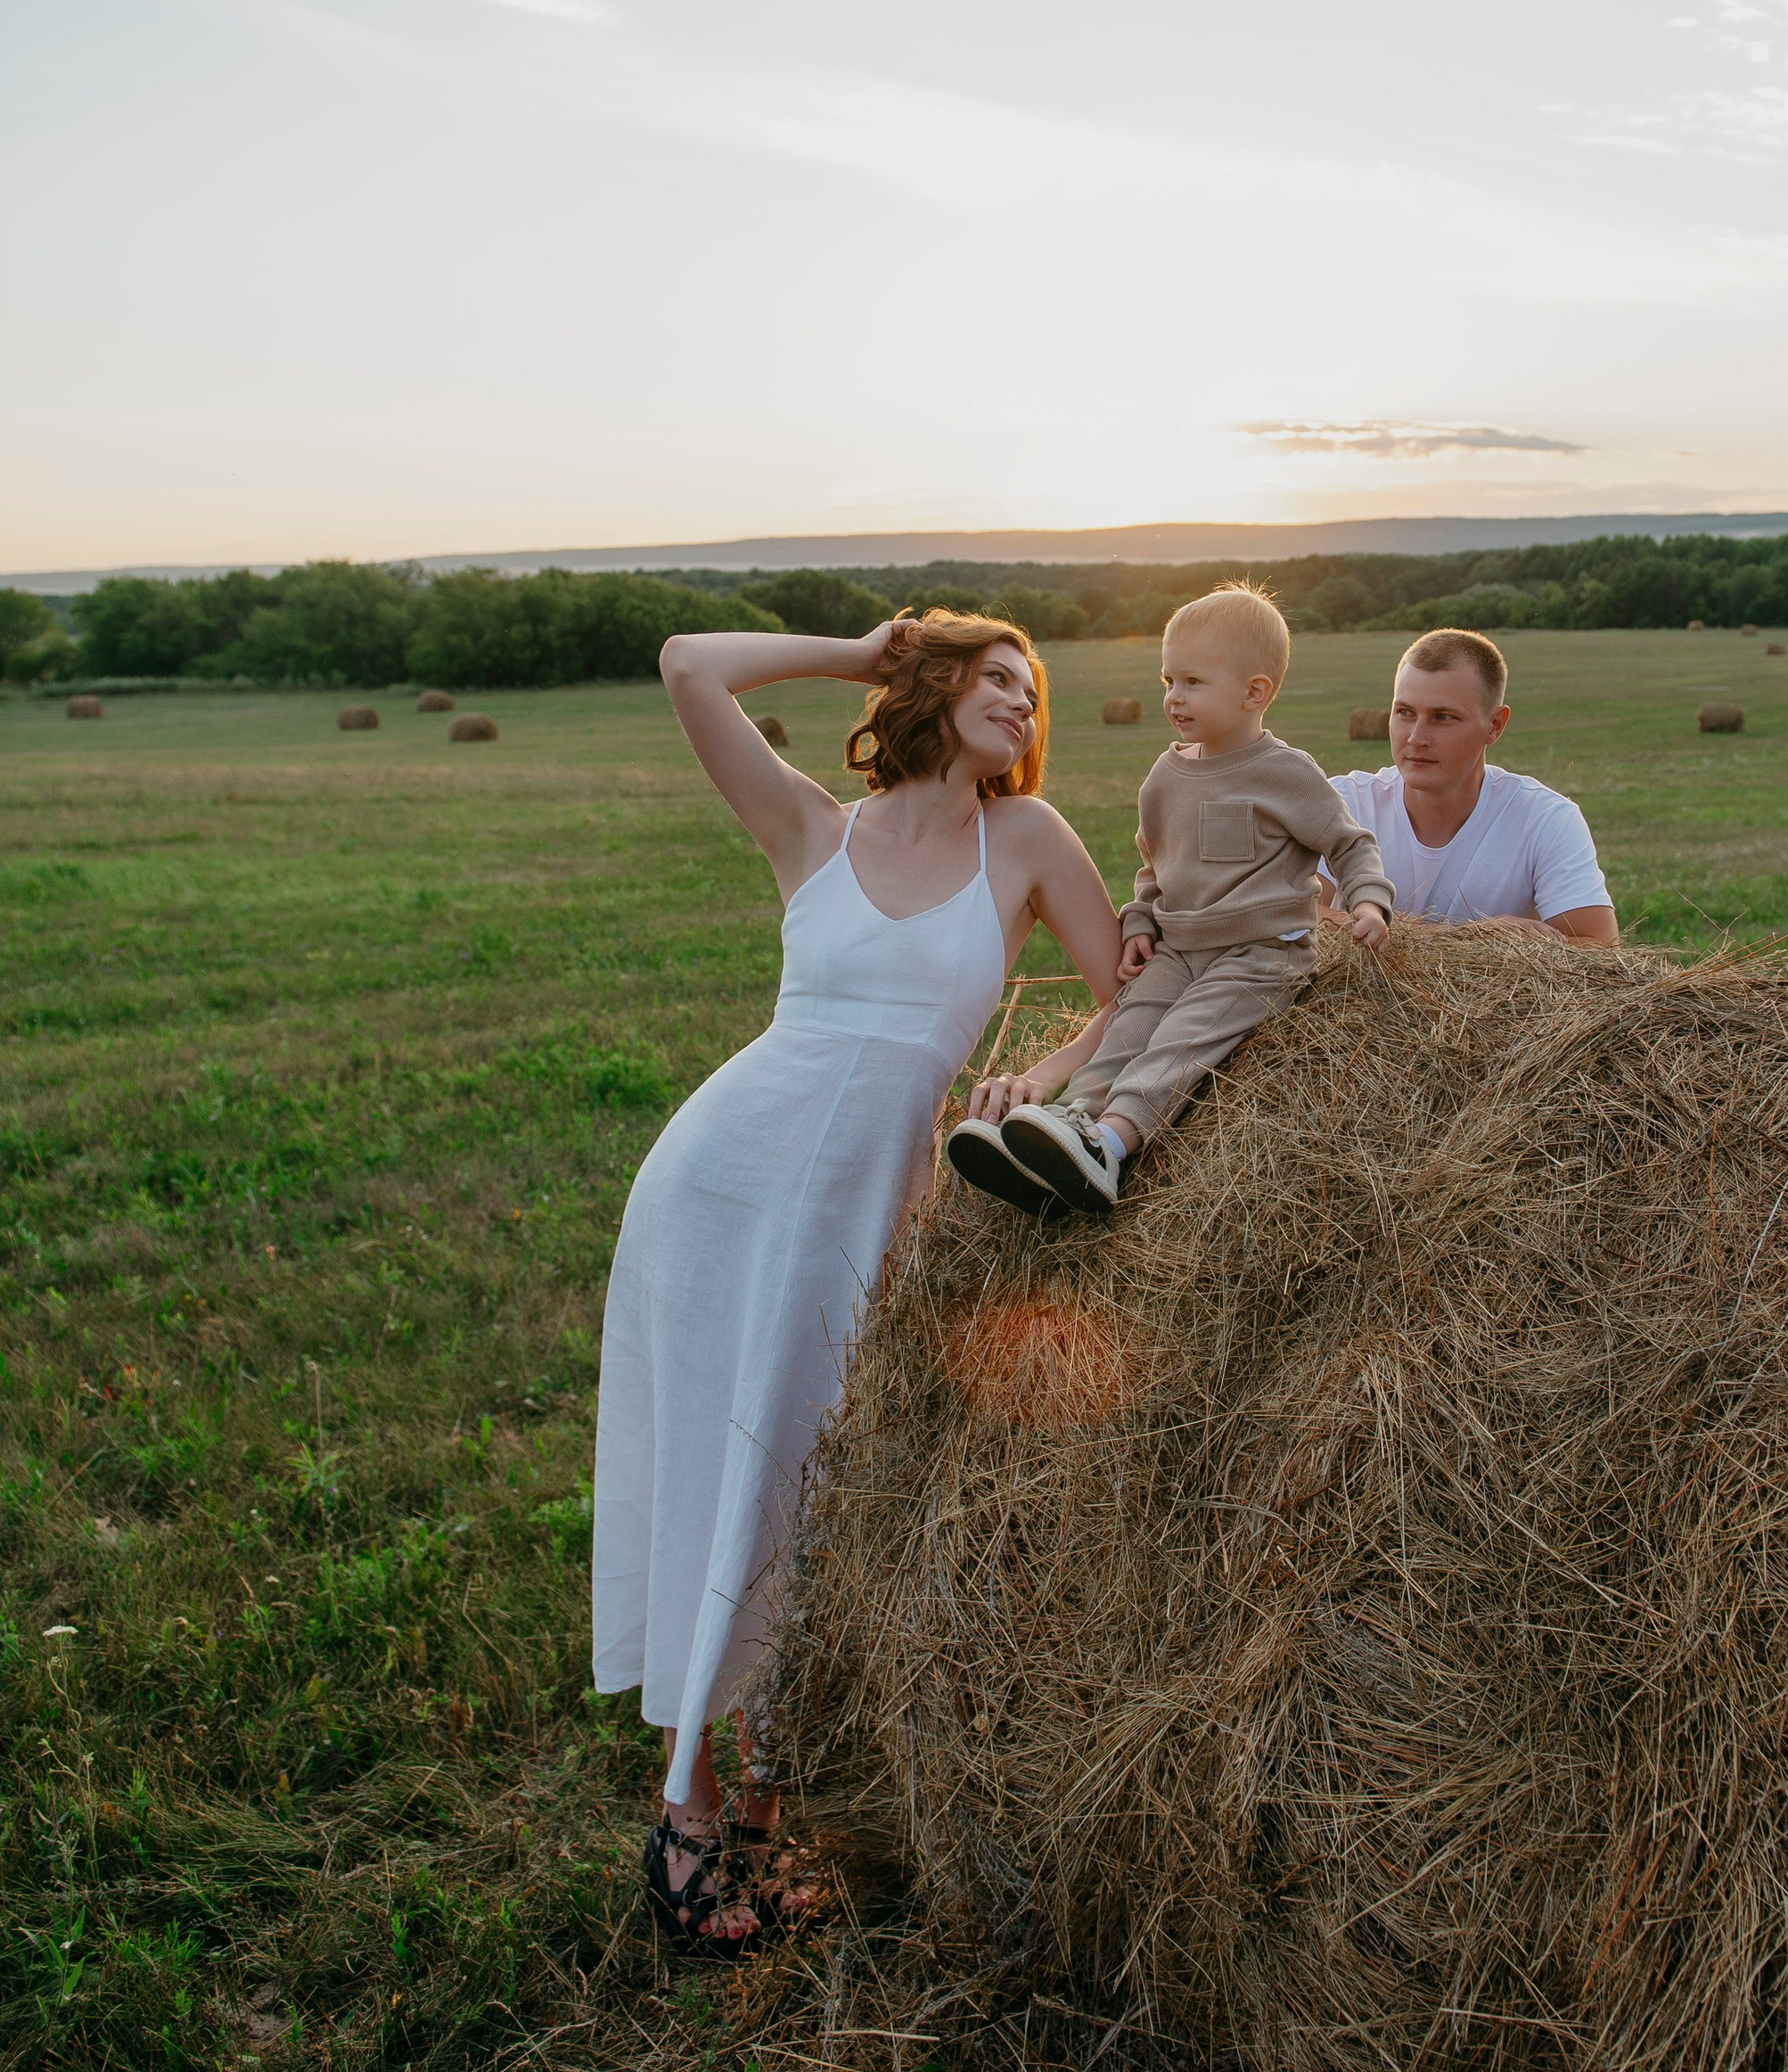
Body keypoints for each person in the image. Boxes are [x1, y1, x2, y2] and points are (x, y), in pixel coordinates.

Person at [592, 607, 1128, 1952]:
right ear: (930, 686)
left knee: (817, 1497)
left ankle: (766, 1816)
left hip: (867, 1209)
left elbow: (1133, 991)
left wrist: (1041, 1072)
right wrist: (856, 651)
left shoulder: (1027, 839)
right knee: (717, 1475)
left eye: (1030, 688)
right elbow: (687, 665)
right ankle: (688, 1821)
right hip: (721, 1186)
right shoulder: (813, 830)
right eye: (993, 677)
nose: (1019, 700)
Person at [947, 585, 1393, 1217]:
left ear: (1254, 693)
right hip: (1179, 948)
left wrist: (1369, 902)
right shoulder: (1165, 776)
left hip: (1261, 953)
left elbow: (1349, 843)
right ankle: (1063, 1129)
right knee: (1127, 1030)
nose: (1173, 697)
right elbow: (1155, 866)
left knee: (1182, 1041)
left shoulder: (1285, 771)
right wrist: (1139, 922)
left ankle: (1109, 1145)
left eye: (1193, 682)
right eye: (1168, 680)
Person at [1325, 628, 1617, 941]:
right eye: (1405, 712)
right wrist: (1470, 939)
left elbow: (1599, 946)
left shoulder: (1545, 820)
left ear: (1495, 726)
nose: (1416, 738)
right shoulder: (1341, 803)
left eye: (1443, 717)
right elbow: (1296, 916)